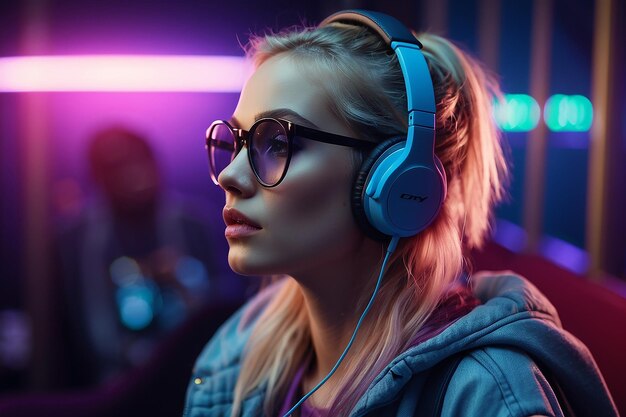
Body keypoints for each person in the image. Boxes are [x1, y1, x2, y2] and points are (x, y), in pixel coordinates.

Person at [184, 9, 618, 417]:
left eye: (278, 143)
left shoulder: (488, 395)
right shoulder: (237, 354)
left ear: (397, 180)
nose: (230, 176)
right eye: (237, 141)